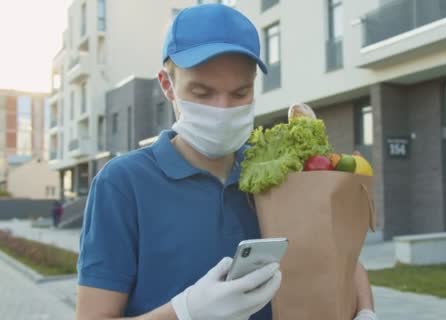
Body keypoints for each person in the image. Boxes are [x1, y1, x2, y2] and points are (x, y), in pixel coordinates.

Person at [76, 4, 377, 320]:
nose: (222, 109)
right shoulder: (123, 184)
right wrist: (186, 311)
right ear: (167, 85)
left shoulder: (279, 171)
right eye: (203, 93)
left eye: (239, 93)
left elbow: (343, 258)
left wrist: (366, 310)